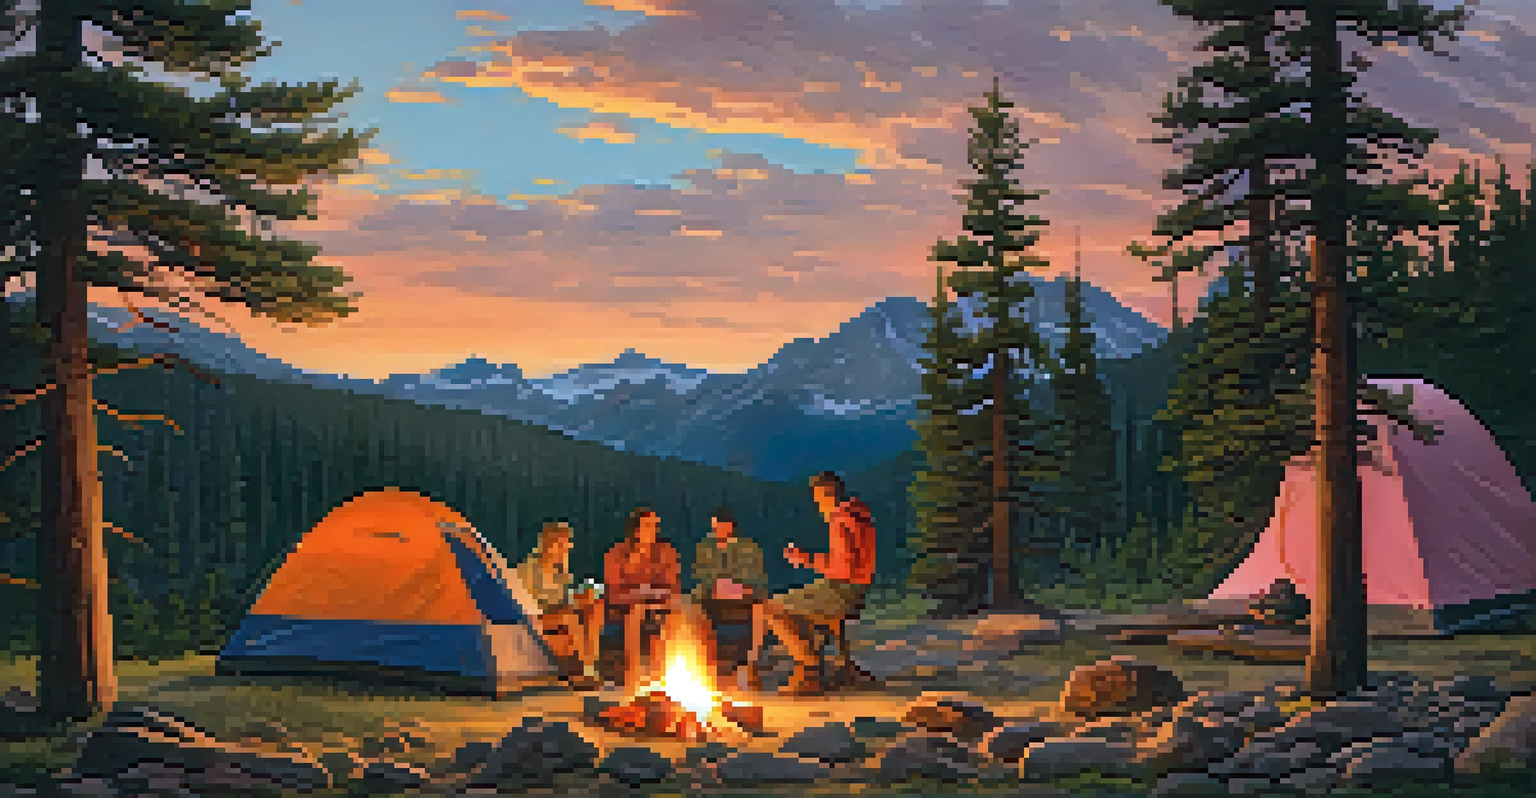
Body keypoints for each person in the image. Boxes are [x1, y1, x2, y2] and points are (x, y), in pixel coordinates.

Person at [750, 471, 875, 696]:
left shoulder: (840, 520)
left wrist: (804, 559)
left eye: (818, 498)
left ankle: (808, 669)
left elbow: (843, 569)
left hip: (841, 592)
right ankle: (834, 666)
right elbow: (850, 563)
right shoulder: (859, 515)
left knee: (767, 608)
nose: (818, 505)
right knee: (794, 601)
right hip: (856, 590)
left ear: (827, 495)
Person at [514, 521, 603, 689]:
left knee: (595, 608)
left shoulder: (561, 573)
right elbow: (524, 606)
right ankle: (585, 671)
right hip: (531, 620)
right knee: (568, 616)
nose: (566, 549)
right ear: (548, 545)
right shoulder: (528, 569)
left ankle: (588, 667)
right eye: (561, 544)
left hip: (556, 616)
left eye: (567, 545)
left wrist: (581, 600)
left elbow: (563, 602)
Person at [604, 507, 681, 690]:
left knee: (672, 616)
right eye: (648, 526)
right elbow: (614, 592)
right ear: (636, 530)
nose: (653, 530)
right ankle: (633, 673)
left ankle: (662, 676)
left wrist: (654, 596)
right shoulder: (618, 553)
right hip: (626, 607)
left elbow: (672, 586)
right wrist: (639, 595)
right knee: (636, 612)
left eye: (655, 526)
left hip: (657, 605)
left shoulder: (665, 552)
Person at [691, 506, 768, 686]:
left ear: (731, 527)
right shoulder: (705, 547)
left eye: (721, 527)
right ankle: (705, 664)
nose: (717, 531)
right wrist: (714, 587)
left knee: (760, 608)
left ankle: (752, 664)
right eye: (715, 528)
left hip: (743, 597)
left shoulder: (748, 547)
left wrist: (740, 587)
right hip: (714, 597)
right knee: (693, 608)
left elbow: (757, 577)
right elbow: (701, 575)